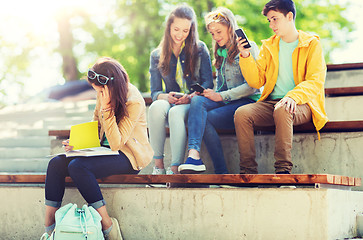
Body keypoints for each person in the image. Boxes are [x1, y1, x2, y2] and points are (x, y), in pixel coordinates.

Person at [40, 57, 153, 240]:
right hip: (103, 151)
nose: (98, 94)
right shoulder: (103, 93)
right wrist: (79, 144)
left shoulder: (134, 101)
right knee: (56, 163)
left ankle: (107, 225)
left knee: (77, 166)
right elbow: (96, 125)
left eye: (100, 91)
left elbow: (117, 143)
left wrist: (107, 109)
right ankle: (49, 228)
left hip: (128, 156)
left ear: (111, 87)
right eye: (96, 91)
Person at [234, 0, 328, 174]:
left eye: (275, 19)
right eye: (269, 20)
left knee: (283, 108)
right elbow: (256, 81)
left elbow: (315, 80)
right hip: (272, 104)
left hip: (302, 104)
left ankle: (283, 171)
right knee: (242, 114)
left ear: (289, 16)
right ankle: (247, 173)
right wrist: (245, 56)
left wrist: (292, 96)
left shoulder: (312, 44)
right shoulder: (269, 46)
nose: (271, 25)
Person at [178, 7, 261, 174]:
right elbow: (222, 87)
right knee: (197, 100)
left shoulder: (248, 47)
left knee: (206, 118)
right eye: (212, 33)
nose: (216, 37)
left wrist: (220, 96)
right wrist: (206, 93)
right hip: (228, 101)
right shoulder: (220, 52)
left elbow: (253, 86)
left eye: (219, 31)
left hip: (247, 102)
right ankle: (193, 155)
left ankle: (221, 171)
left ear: (230, 27)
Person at [148, 4, 213, 175]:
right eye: (176, 29)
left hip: (193, 101)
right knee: (155, 107)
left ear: (191, 30)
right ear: (169, 26)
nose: (180, 35)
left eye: (185, 31)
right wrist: (165, 96)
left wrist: (191, 97)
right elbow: (154, 92)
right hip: (171, 100)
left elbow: (208, 82)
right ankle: (159, 166)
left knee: (175, 113)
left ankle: (175, 168)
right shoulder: (156, 55)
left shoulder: (200, 49)